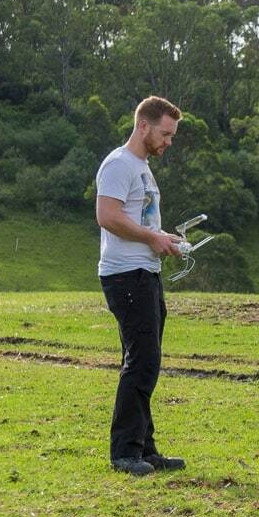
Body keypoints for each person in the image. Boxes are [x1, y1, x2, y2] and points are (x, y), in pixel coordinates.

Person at [95, 96, 187, 475]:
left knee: (145, 360)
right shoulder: (119, 165)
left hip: (146, 273)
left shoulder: (143, 168)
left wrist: (165, 239)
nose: (168, 142)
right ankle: (124, 453)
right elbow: (107, 216)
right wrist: (152, 240)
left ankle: (145, 449)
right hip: (126, 275)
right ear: (144, 126)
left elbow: (138, 221)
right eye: (165, 133)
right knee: (142, 362)